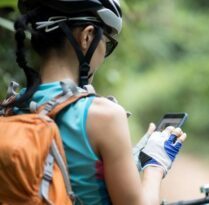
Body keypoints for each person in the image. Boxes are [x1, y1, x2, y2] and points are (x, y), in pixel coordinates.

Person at [9, 0, 187, 204]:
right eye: (107, 43)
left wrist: (129, 159)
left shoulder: (11, 107)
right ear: (87, 36)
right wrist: (155, 164)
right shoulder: (104, 116)